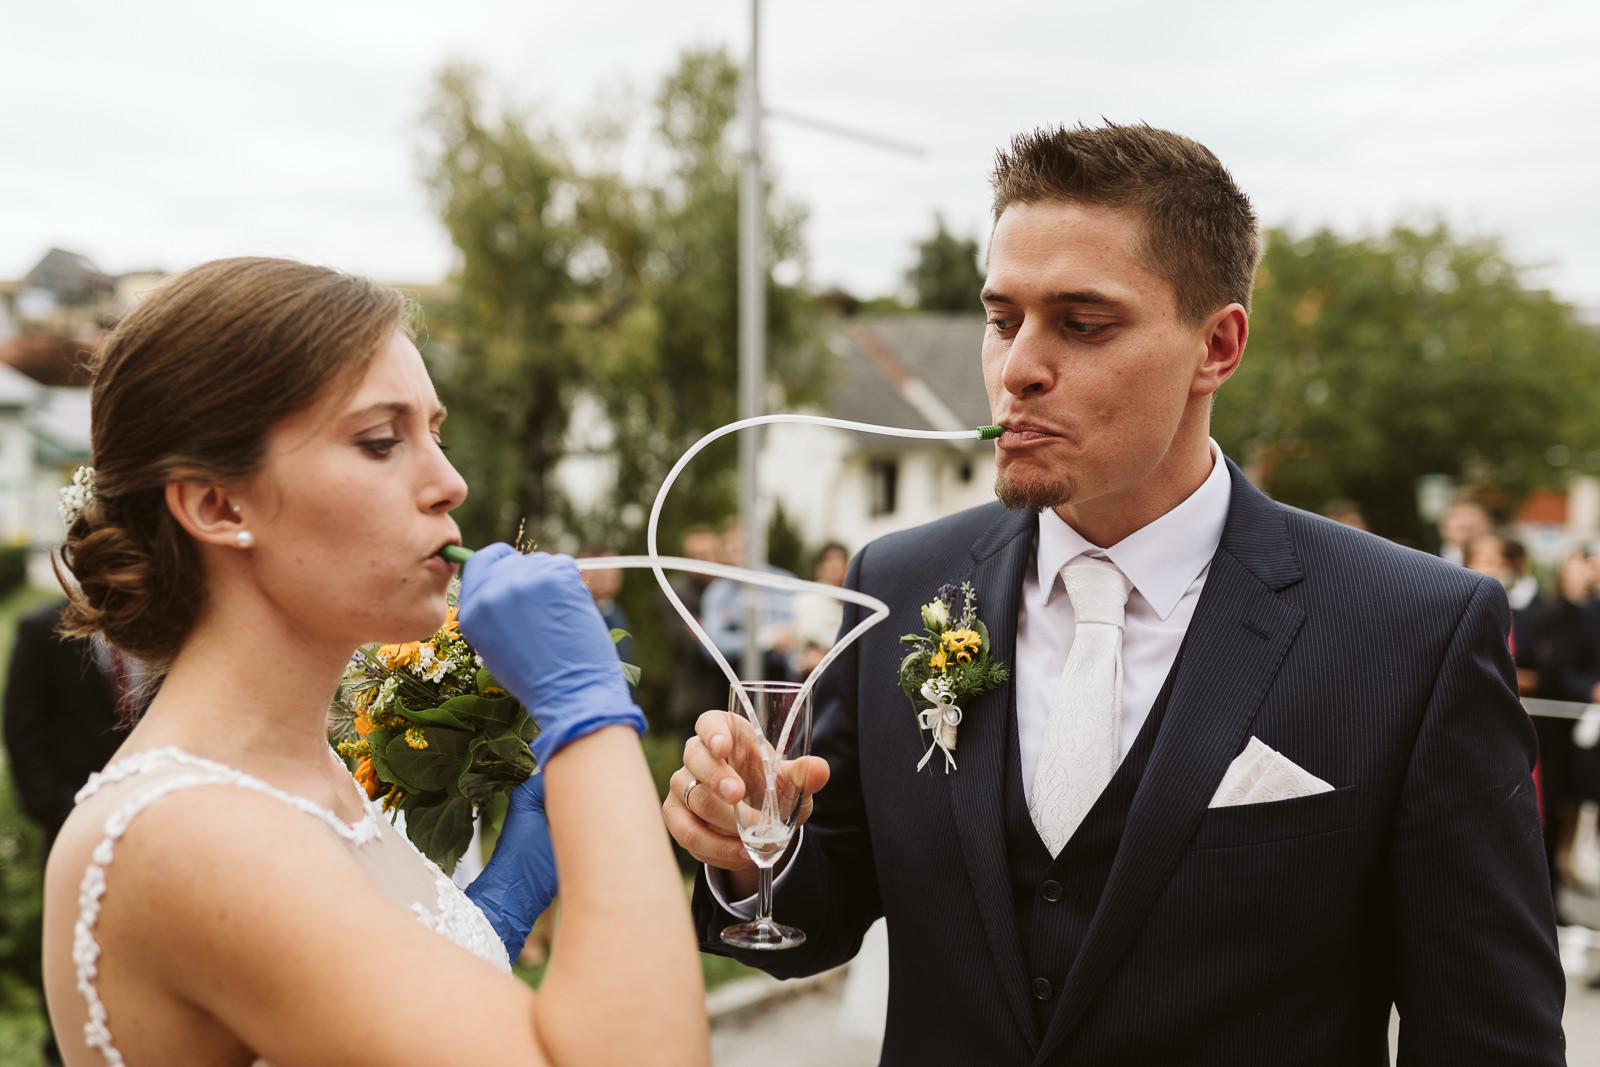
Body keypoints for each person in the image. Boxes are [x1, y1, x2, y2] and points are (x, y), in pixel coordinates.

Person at [665, 123, 1565, 1064]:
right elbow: (821, 908)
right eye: (1002, 318)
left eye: (1082, 323)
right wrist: (744, 851)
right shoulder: (898, 586)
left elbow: (1487, 1037)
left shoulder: (1413, 630)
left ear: (1217, 346)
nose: (1017, 369)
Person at [40, 258, 707, 1067]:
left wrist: (496, 911)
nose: (451, 482)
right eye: (382, 441)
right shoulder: (184, 830)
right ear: (218, 504)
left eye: (438, 433)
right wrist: (590, 718)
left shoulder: (303, 772)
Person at [3, 602, 138, 1067]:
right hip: (71, 830)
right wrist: (63, 811)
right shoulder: (40, 628)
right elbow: (23, 732)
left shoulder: (166, 629)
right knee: (75, 965)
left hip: (153, 836)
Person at [792, 542, 849, 677]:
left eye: (838, 560)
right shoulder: (805, 600)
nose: (834, 566)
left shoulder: (853, 603)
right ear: (820, 567)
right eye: (829, 560)